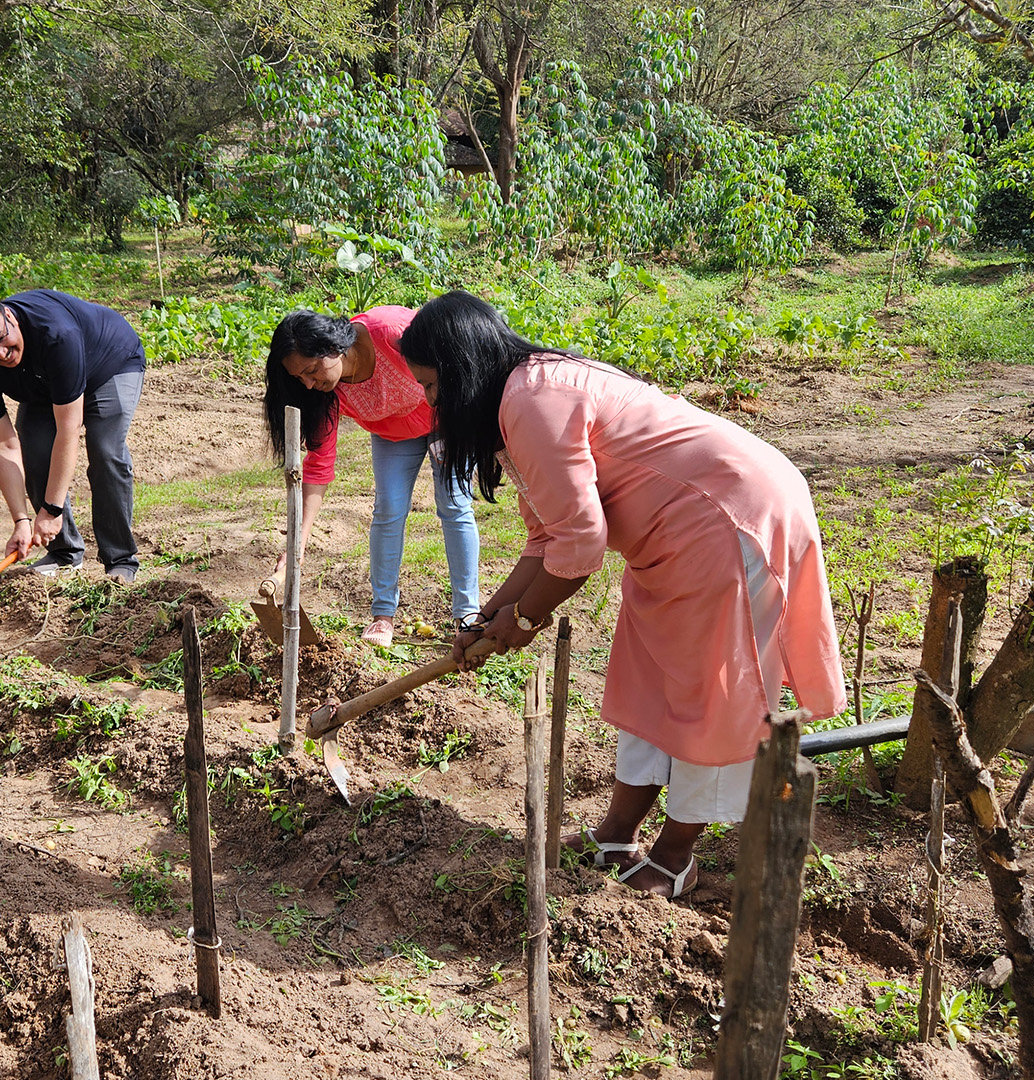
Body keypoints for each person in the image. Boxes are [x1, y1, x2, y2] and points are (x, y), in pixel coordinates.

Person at [400, 291, 846, 900]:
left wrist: (526, 618)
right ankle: (617, 833)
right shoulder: (520, 403)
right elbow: (546, 538)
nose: (430, 403)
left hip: (730, 519)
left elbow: (581, 544)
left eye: (431, 385)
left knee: (707, 694)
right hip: (672, 540)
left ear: (462, 366)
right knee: (648, 681)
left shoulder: (533, 400)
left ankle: (674, 856)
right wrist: (485, 621)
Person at [265, 308, 480, 647]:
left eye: (311, 370)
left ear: (331, 347)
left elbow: (454, 364)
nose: (309, 383)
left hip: (446, 417)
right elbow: (319, 465)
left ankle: (467, 615)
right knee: (388, 510)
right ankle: (383, 616)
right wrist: (297, 546)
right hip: (393, 434)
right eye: (300, 378)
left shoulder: (391, 333)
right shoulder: (325, 393)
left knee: (454, 504)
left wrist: (459, 424)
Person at [0, 289, 146, 582]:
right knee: (36, 445)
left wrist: (51, 509)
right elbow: (2, 443)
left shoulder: (56, 333)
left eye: (2, 339)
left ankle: (120, 560)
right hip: (45, 382)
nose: (1, 354)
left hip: (110, 363)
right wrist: (21, 520)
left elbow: (69, 429)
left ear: (9, 316)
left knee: (105, 450)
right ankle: (64, 552)